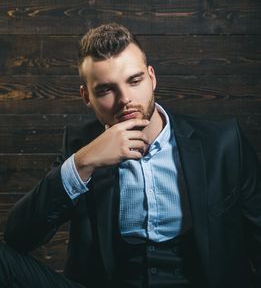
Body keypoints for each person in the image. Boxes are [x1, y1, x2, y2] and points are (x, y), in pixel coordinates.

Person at [0, 23, 260, 288]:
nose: (125, 99)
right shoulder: (81, 148)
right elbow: (18, 238)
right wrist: (82, 163)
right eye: (105, 90)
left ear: (152, 78)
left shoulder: (222, 143)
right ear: (86, 96)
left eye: (134, 81)